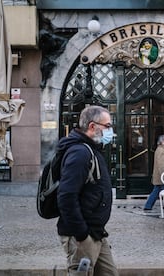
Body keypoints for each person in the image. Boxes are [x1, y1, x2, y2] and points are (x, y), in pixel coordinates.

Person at [56, 105, 119, 276]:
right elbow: (66, 196)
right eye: (108, 126)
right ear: (92, 126)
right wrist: (82, 235)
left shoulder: (92, 149)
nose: (110, 131)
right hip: (82, 235)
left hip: (97, 231)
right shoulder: (79, 153)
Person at [144, 134, 164, 210]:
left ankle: (148, 205)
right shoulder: (161, 151)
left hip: (161, 177)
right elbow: (161, 165)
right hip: (162, 177)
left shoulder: (163, 150)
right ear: (162, 141)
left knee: (157, 191)